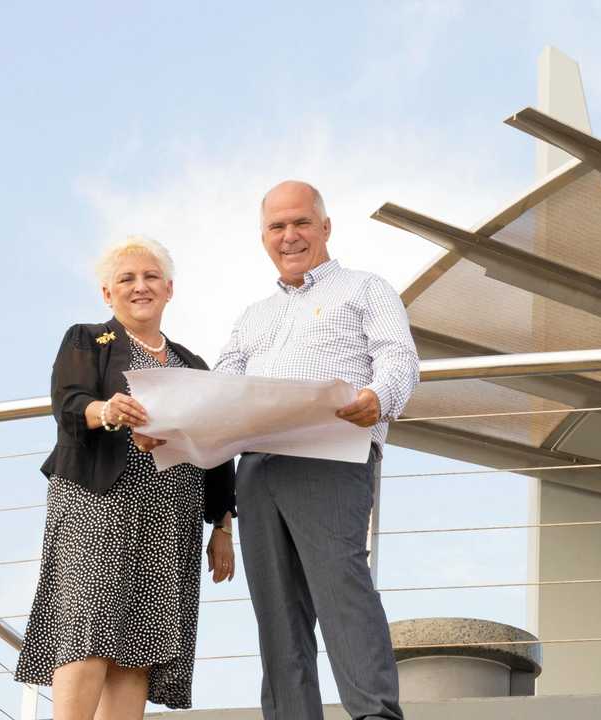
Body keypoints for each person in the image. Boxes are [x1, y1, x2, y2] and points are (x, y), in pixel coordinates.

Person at [215, 180, 419, 719]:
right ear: (263, 237)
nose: (290, 235)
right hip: (256, 468)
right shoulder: (251, 316)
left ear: (325, 227)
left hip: (333, 454)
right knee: (277, 616)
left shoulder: (364, 289)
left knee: (343, 591)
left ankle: (375, 715)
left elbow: (399, 357)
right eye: (277, 227)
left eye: (301, 222)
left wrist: (380, 397)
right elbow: (220, 387)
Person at [14, 236, 237, 718]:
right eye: (127, 278)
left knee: (141, 645)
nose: (140, 286)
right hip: (98, 505)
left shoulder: (192, 364)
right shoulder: (87, 339)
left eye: (151, 276)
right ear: (107, 293)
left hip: (169, 516)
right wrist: (107, 411)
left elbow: (217, 445)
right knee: (86, 632)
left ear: (170, 289)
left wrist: (222, 524)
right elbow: (68, 403)